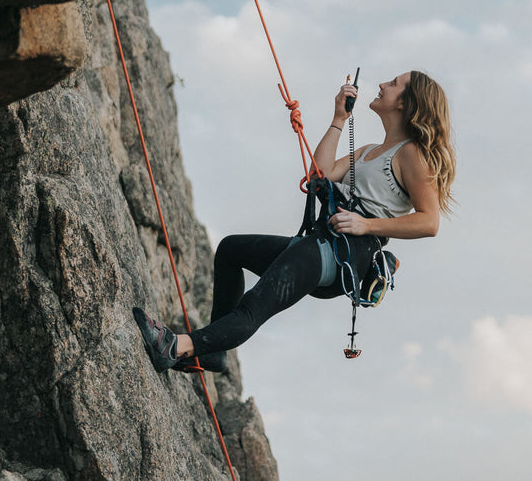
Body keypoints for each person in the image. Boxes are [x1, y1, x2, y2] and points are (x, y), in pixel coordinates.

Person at [133, 70, 456, 373]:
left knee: (254, 306)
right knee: (231, 250)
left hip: (343, 254)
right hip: (322, 243)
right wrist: (338, 120)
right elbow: (321, 173)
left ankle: (175, 347)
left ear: (404, 102)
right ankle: (212, 352)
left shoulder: (412, 153)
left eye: (394, 83)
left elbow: (429, 222)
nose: (383, 84)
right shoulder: (370, 151)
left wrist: (367, 225)